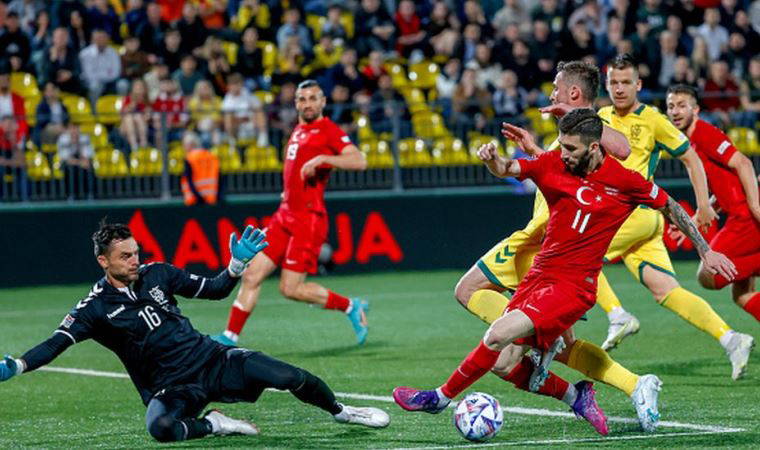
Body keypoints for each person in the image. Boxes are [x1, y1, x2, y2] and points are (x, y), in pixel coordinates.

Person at [393, 109, 736, 424]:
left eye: (571, 147)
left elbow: (671, 206)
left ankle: (439, 398)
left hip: (573, 287)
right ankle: (576, 395)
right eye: (562, 144)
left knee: (496, 335)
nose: (564, 152)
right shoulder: (554, 163)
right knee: (503, 364)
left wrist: (705, 251)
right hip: (539, 276)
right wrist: (493, 160)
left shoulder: (625, 181)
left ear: (594, 147)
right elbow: (509, 169)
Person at [0, 221, 389, 443]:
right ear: (103, 261)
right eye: (125, 256)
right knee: (160, 429)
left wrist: (236, 265)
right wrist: (17, 365)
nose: (135, 260)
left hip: (213, 360)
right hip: (171, 387)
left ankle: (342, 412)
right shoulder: (93, 308)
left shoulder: (158, 273)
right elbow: (55, 343)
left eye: (136, 252)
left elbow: (216, 290)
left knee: (291, 376)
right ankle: (215, 424)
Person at [452, 60, 664, 433]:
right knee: (536, 334)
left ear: (573, 92)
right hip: (539, 241)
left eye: (556, 87)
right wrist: (532, 150)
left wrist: (570, 113)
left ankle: (619, 380)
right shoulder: (567, 135)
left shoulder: (590, 125)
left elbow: (622, 149)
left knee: (479, 300)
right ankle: (619, 382)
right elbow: (555, 175)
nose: (551, 93)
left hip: (545, 245)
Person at [594, 54, 754, 381]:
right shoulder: (601, 117)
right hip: (641, 221)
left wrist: (704, 206)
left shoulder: (654, 120)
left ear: (638, 85)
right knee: (667, 290)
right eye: (614, 82)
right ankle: (731, 339)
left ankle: (616, 314)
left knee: (574, 257)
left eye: (626, 82)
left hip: (632, 212)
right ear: (606, 85)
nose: (619, 89)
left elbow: (693, 159)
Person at [212, 80, 368, 347]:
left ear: (323, 102)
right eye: (302, 99)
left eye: (313, 98)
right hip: (284, 215)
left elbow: (359, 161)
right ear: (296, 103)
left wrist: (324, 159)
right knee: (252, 274)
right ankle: (229, 338)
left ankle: (351, 306)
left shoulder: (328, 130)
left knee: (290, 288)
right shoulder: (298, 130)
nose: (307, 104)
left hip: (308, 219)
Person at [666, 84, 760, 322]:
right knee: (742, 295)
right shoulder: (691, 144)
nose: (675, 111)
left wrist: (755, 206)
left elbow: (744, 163)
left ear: (695, 110)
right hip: (740, 215)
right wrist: (699, 216)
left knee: (709, 274)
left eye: (682, 105)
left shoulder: (703, 133)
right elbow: (727, 185)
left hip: (745, 219)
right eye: (671, 106)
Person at [181, 131, 220, 206]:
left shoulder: (189, 158)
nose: (184, 148)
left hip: (195, 200)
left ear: (191, 144)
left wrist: (198, 197)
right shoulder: (211, 156)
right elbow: (219, 177)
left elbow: (189, 180)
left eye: (185, 145)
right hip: (211, 199)